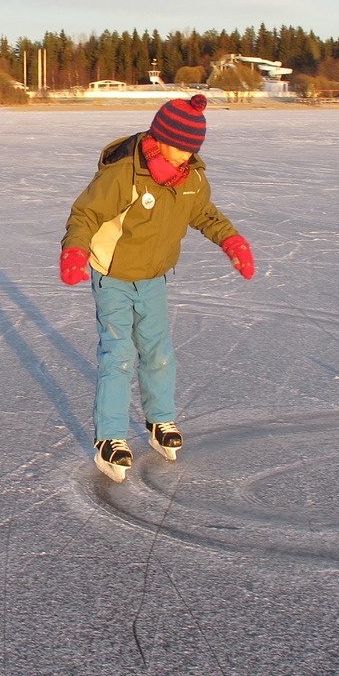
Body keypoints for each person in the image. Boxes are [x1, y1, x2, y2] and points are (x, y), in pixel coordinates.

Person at [60, 94, 255, 482]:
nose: (185, 154)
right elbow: (86, 212)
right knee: (118, 353)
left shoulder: (192, 179)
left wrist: (232, 241)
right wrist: (75, 250)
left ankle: (160, 420)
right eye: (180, 145)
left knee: (158, 352)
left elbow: (204, 214)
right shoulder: (125, 174)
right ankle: (110, 438)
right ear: (160, 136)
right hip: (113, 274)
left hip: (153, 277)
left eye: (192, 148)